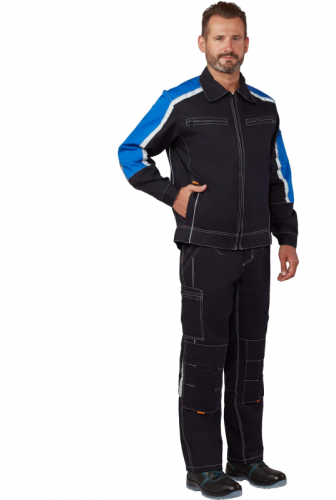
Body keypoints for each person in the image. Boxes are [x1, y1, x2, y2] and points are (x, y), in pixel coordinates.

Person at [118, 2, 298, 498]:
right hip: (205, 251)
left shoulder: (264, 106)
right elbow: (131, 150)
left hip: (255, 251)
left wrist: (287, 237)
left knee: (249, 358)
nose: (228, 47)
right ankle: (201, 467)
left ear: (247, 44)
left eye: (236, 38)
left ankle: (246, 458)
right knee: (203, 358)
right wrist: (169, 193)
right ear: (203, 44)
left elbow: (277, 177)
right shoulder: (180, 102)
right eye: (219, 38)